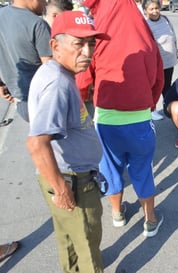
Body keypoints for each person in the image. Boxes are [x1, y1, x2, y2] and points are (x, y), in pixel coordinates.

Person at [26, 11, 109, 272]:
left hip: (65, 174)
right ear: (55, 45)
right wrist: (61, 188)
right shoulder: (58, 84)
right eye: (78, 44)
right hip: (72, 180)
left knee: (69, 239)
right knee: (87, 245)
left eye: (91, 44)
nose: (87, 52)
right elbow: (37, 143)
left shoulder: (55, 71)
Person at [76, 0, 164, 237]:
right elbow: (158, 75)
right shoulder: (143, 31)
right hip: (139, 119)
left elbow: (83, 75)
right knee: (143, 169)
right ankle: (151, 220)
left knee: (110, 169)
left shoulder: (98, 31)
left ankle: (117, 214)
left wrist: (82, 99)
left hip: (106, 119)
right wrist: (150, 103)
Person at [0, 0, 52, 122]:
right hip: (41, 100)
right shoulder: (38, 24)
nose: (45, 4)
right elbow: (51, 68)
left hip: (18, 98)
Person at [144, 0, 178, 121]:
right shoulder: (145, 24)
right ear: (145, 11)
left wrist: (176, 50)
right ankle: (151, 110)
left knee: (166, 85)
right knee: (155, 86)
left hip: (169, 60)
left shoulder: (165, 19)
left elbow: (173, 35)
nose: (155, 11)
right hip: (157, 62)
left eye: (156, 8)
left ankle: (168, 107)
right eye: (151, 9)